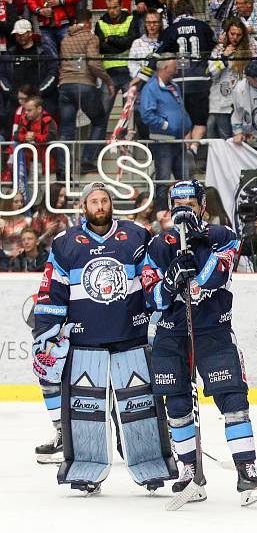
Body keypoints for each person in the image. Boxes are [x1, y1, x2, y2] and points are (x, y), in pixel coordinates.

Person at [32, 182, 177, 495]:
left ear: (112, 204)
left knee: (142, 408)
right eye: (93, 201)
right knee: (86, 412)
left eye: (104, 200)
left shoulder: (137, 235)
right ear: (83, 207)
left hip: (132, 336)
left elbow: (152, 280)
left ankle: (151, 465)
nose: (100, 206)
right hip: (86, 342)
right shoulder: (65, 243)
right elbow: (51, 291)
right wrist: (46, 333)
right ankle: (85, 470)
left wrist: (161, 316)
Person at [143, 180, 257, 506]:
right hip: (171, 334)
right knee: (176, 404)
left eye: (190, 200)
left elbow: (218, 274)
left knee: (233, 399)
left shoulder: (223, 236)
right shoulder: (158, 245)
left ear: (203, 205)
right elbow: (152, 296)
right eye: (178, 200)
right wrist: (172, 280)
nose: (184, 205)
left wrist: (195, 276)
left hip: (213, 332)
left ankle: (247, 470)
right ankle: (190, 472)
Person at [141, 0, 216, 153]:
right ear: (192, 11)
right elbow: (214, 50)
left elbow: (158, 54)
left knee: (185, 121)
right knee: (200, 121)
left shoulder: (170, 30)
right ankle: (194, 147)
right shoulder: (204, 27)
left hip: (179, 82)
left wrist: (142, 77)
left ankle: (186, 147)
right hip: (201, 81)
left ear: (175, 12)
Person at [58, 9, 114, 175]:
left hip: (65, 85)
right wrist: (108, 81)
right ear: (89, 21)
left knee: (66, 129)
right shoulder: (91, 37)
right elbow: (93, 63)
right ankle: (87, 160)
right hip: (84, 84)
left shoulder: (65, 39)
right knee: (99, 120)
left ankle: (62, 169)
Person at [139, 54, 194, 212]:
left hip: (179, 140)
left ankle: (186, 210)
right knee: (163, 179)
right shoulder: (150, 88)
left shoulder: (174, 87)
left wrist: (186, 126)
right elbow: (146, 115)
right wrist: (166, 125)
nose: (176, 69)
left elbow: (181, 109)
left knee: (184, 180)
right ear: (164, 67)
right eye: (174, 66)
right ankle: (161, 212)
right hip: (162, 141)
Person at [0, 19, 58, 133]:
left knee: (42, 134)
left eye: (22, 34)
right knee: (13, 133)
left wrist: (39, 93)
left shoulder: (44, 51)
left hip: (41, 100)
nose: (20, 37)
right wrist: (13, 93)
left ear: (30, 33)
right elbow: (2, 77)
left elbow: (53, 73)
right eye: (17, 35)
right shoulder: (9, 54)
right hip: (15, 102)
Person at [208, 17, 257, 139]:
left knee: (243, 138)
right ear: (226, 33)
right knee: (226, 140)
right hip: (222, 102)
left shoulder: (251, 49)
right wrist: (224, 57)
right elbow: (211, 72)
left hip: (243, 101)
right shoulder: (218, 50)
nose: (235, 37)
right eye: (232, 34)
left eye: (238, 34)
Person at [95, 0, 138, 121]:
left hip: (128, 71)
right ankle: (99, 140)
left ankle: (125, 139)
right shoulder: (100, 23)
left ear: (121, 6)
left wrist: (111, 39)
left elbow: (132, 42)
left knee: (129, 115)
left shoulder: (131, 19)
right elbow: (101, 47)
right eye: (109, 8)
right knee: (102, 114)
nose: (112, 11)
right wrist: (122, 43)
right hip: (109, 74)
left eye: (115, 7)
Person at [128, 9, 162, 139]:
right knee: (142, 118)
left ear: (159, 23)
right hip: (143, 88)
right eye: (149, 23)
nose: (152, 26)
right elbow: (132, 64)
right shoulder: (137, 43)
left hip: (160, 87)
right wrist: (141, 76)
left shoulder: (164, 42)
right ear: (145, 24)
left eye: (155, 22)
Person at [17, 95, 57, 176]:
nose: (26, 113)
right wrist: (24, 137)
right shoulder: (23, 120)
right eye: (25, 110)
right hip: (29, 164)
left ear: (39, 109)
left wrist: (35, 136)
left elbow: (51, 137)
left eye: (29, 110)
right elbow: (16, 135)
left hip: (47, 163)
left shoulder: (48, 120)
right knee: (30, 188)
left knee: (48, 188)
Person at [31, 182, 70, 251]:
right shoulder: (38, 216)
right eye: (60, 196)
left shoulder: (64, 217)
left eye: (65, 197)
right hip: (43, 254)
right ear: (52, 195)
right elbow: (32, 243)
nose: (63, 200)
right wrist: (47, 234)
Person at [0, 191, 30, 256]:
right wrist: (8, 253)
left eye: (21, 201)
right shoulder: (1, 222)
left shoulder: (27, 220)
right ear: (8, 203)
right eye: (16, 202)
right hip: (4, 257)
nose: (20, 204)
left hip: (23, 256)